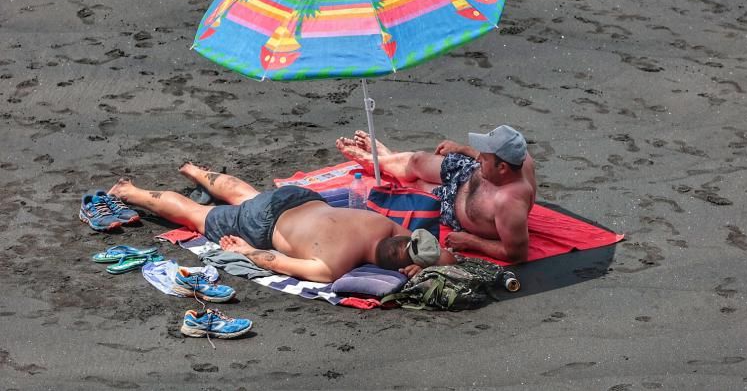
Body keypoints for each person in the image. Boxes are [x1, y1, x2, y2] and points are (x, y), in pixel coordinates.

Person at [106, 162, 455, 282]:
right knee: (198, 217)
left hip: (299, 197)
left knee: (247, 195)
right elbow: (278, 262)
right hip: (266, 226)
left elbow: (439, 254)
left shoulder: (389, 228)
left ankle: (195, 170)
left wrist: (420, 262)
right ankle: (129, 190)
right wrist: (246, 251)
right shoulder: (333, 266)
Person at [336, 125, 536, 263]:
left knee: (419, 187)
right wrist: (462, 149)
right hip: (468, 173)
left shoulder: (510, 203)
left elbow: (517, 254)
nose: (480, 157)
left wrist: (471, 241)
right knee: (417, 161)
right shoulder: (518, 156)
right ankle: (383, 160)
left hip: (455, 206)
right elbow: (487, 157)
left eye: (485, 156)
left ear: (502, 168)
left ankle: (382, 161)